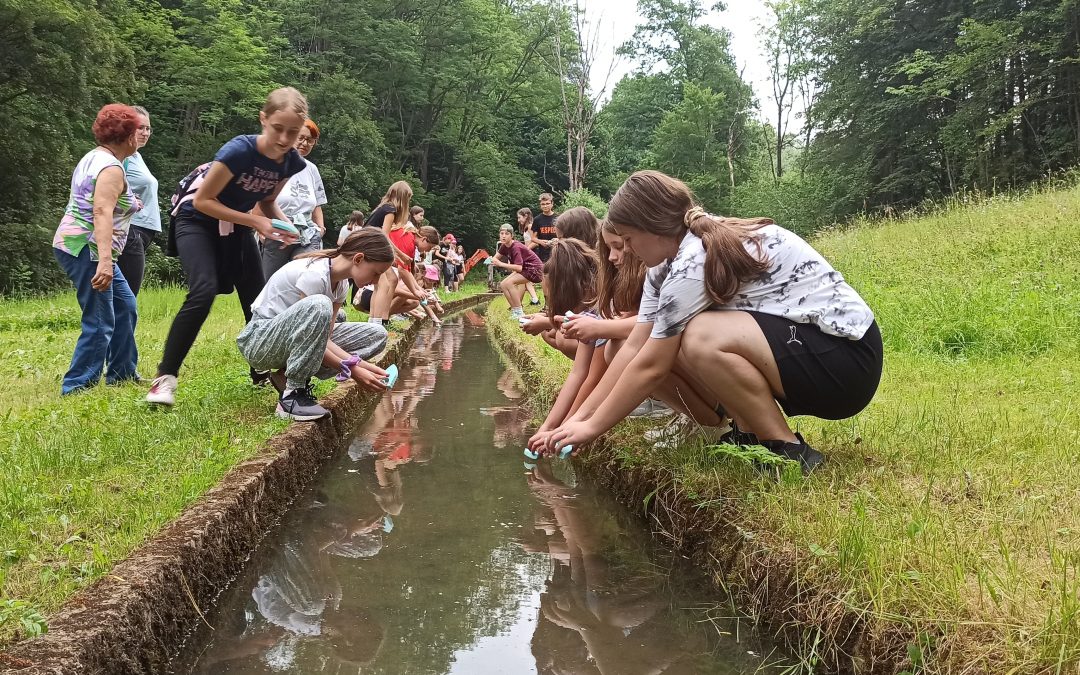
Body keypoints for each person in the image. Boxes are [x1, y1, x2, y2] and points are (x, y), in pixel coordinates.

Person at [545, 170, 883, 473]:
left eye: (629, 239)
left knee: (699, 335)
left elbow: (651, 366)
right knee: (683, 335)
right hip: (807, 350)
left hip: (846, 362)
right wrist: (578, 420)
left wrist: (592, 428)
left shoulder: (693, 261)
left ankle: (787, 451)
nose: (628, 250)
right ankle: (749, 435)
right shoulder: (663, 269)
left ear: (652, 227)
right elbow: (633, 347)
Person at [147, 87, 309, 406]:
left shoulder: (291, 163)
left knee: (258, 302)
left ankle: (264, 371)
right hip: (196, 219)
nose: (283, 139)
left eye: (293, 133)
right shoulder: (239, 151)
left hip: (237, 225)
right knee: (203, 291)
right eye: (277, 129)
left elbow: (267, 200)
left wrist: (281, 223)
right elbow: (204, 201)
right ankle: (164, 379)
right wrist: (257, 223)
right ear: (264, 119)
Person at [237, 228, 394, 421]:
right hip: (260, 341)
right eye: (376, 272)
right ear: (358, 259)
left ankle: (285, 375)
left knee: (377, 334)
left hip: (288, 340)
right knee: (320, 306)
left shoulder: (341, 284)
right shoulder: (315, 274)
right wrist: (354, 370)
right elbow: (316, 334)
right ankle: (292, 396)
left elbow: (323, 339)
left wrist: (361, 365)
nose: (377, 280)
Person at [52, 104, 143, 394]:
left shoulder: (94, 157)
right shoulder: (111, 168)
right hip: (87, 249)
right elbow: (101, 211)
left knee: (125, 308)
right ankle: (78, 386)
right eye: (137, 131)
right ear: (128, 137)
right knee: (101, 320)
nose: (141, 136)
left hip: (85, 247)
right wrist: (104, 261)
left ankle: (122, 372)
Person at [260, 118, 328, 278]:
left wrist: (321, 229)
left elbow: (317, 203)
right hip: (277, 230)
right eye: (301, 138)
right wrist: (260, 230)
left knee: (306, 277)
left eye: (310, 141)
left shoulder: (312, 169)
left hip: (308, 233)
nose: (305, 143)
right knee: (270, 281)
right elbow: (261, 200)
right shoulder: (272, 163)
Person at [116, 105, 159, 296]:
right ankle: (120, 326)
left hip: (142, 231)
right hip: (130, 229)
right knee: (128, 295)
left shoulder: (137, 156)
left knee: (126, 293)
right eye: (140, 127)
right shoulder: (122, 157)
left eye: (148, 128)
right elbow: (107, 185)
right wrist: (129, 200)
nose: (145, 132)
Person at [491, 223, 544, 319]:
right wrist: (491, 260)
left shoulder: (515, 247)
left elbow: (518, 268)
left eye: (506, 234)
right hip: (525, 269)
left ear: (512, 236)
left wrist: (500, 264)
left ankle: (519, 311)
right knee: (503, 284)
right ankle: (515, 310)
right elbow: (495, 258)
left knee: (509, 283)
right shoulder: (504, 246)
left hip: (534, 270)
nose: (503, 236)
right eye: (501, 233)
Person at [516, 208, 542, 304]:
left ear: (526, 216)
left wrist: (526, 251)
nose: (518, 220)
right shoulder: (526, 227)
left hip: (532, 254)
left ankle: (519, 303)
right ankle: (534, 299)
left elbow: (535, 242)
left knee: (524, 277)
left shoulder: (530, 226)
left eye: (519, 217)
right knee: (526, 278)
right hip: (528, 254)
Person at [530, 193, 558, 263]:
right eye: (543, 204)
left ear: (552, 204)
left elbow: (564, 236)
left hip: (557, 252)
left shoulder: (558, 218)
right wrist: (541, 242)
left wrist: (557, 240)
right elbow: (533, 238)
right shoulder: (537, 219)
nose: (545, 206)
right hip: (543, 254)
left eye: (547, 203)